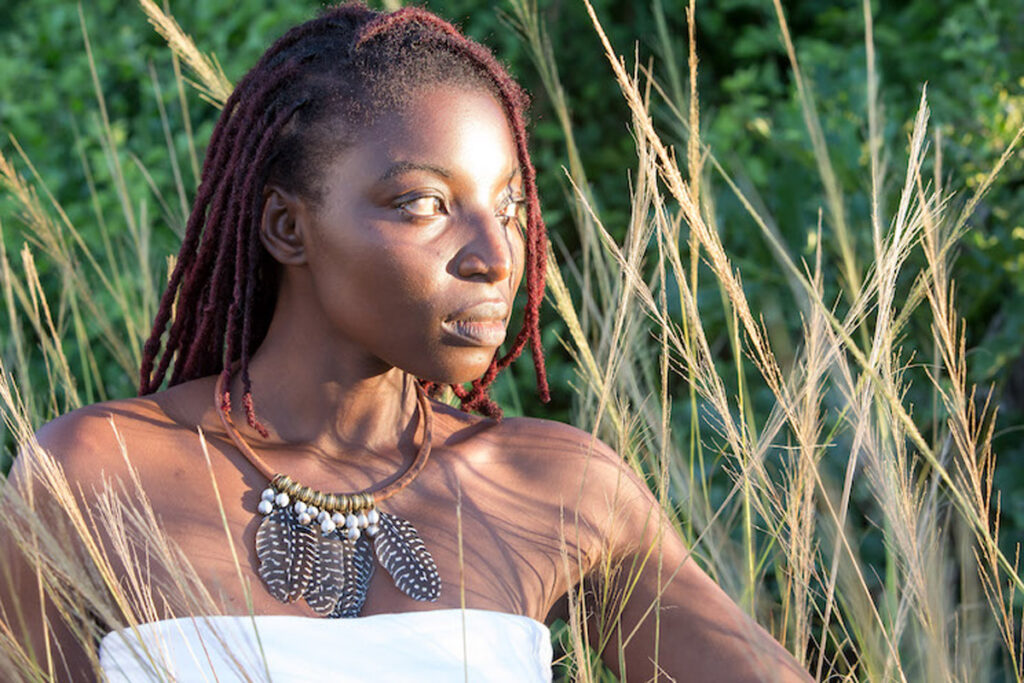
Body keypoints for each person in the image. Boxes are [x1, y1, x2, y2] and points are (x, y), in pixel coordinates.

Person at [1, 3, 811, 681]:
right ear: (289, 225)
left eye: (509, 208)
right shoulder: (96, 475)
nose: (494, 256)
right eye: (423, 203)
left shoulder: (559, 488)